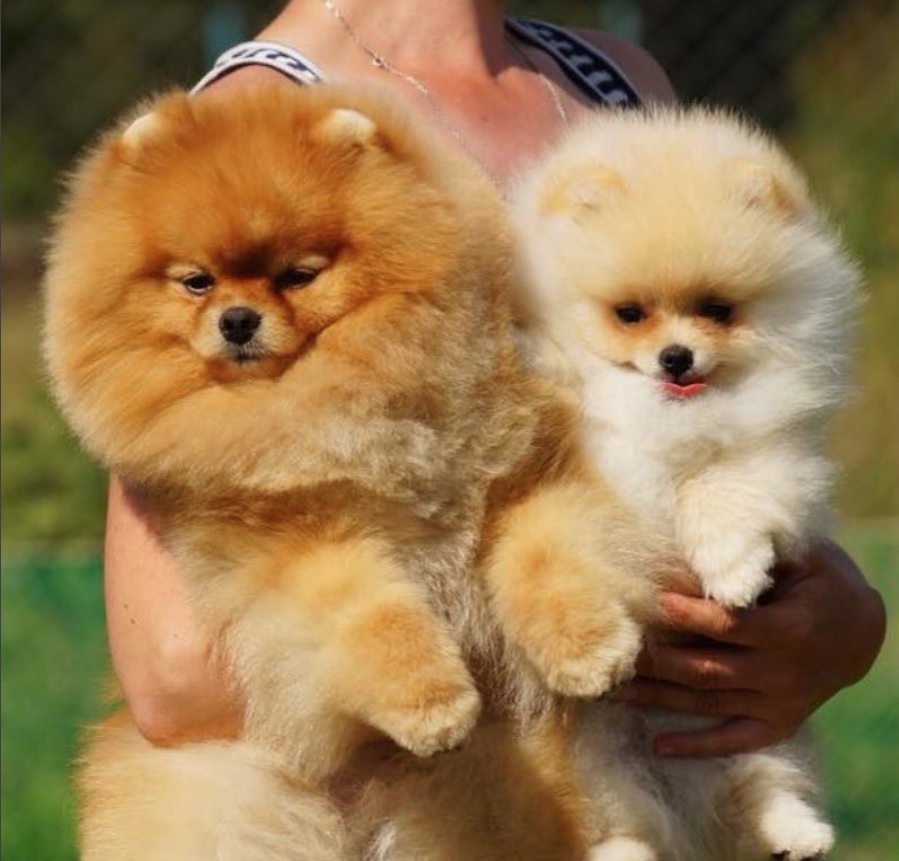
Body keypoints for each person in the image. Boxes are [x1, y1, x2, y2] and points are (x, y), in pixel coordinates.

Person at [104, 0, 886, 760]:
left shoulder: (612, 79)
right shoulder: (260, 117)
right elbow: (176, 677)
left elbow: (731, 423)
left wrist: (840, 620)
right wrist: (576, 611)